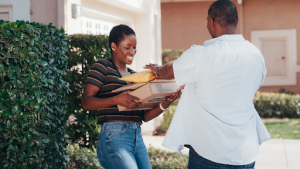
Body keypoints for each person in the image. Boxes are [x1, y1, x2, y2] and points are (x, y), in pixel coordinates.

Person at [144, 0, 270, 168]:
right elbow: (255, 84)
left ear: (212, 21)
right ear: (235, 21)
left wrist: (157, 69)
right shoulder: (256, 55)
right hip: (245, 152)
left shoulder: (200, 55)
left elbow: (168, 72)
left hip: (210, 153)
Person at [81, 24, 181, 169]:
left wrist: (164, 105)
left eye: (134, 47)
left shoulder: (136, 76)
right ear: (114, 46)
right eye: (127, 47)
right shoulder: (102, 66)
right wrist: (116, 99)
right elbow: (86, 102)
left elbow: (143, 117)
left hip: (136, 137)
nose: (132, 52)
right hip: (114, 136)